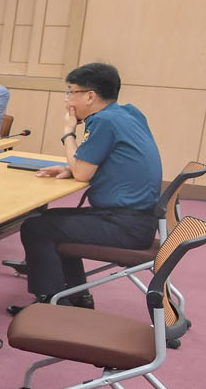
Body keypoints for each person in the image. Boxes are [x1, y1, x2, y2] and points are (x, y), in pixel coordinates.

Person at [8, 62, 162, 314]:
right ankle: (78, 297)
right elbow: (117, 159)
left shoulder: (102, 121)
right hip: (140, 220)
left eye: (71, 92)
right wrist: (72, 168)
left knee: (35, 228)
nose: (67, 100)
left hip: (125, 225)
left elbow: (82, 173)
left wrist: (68, 133)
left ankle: (50, 304)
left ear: (90, 96)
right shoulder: (130, 113)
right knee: (51, 221)